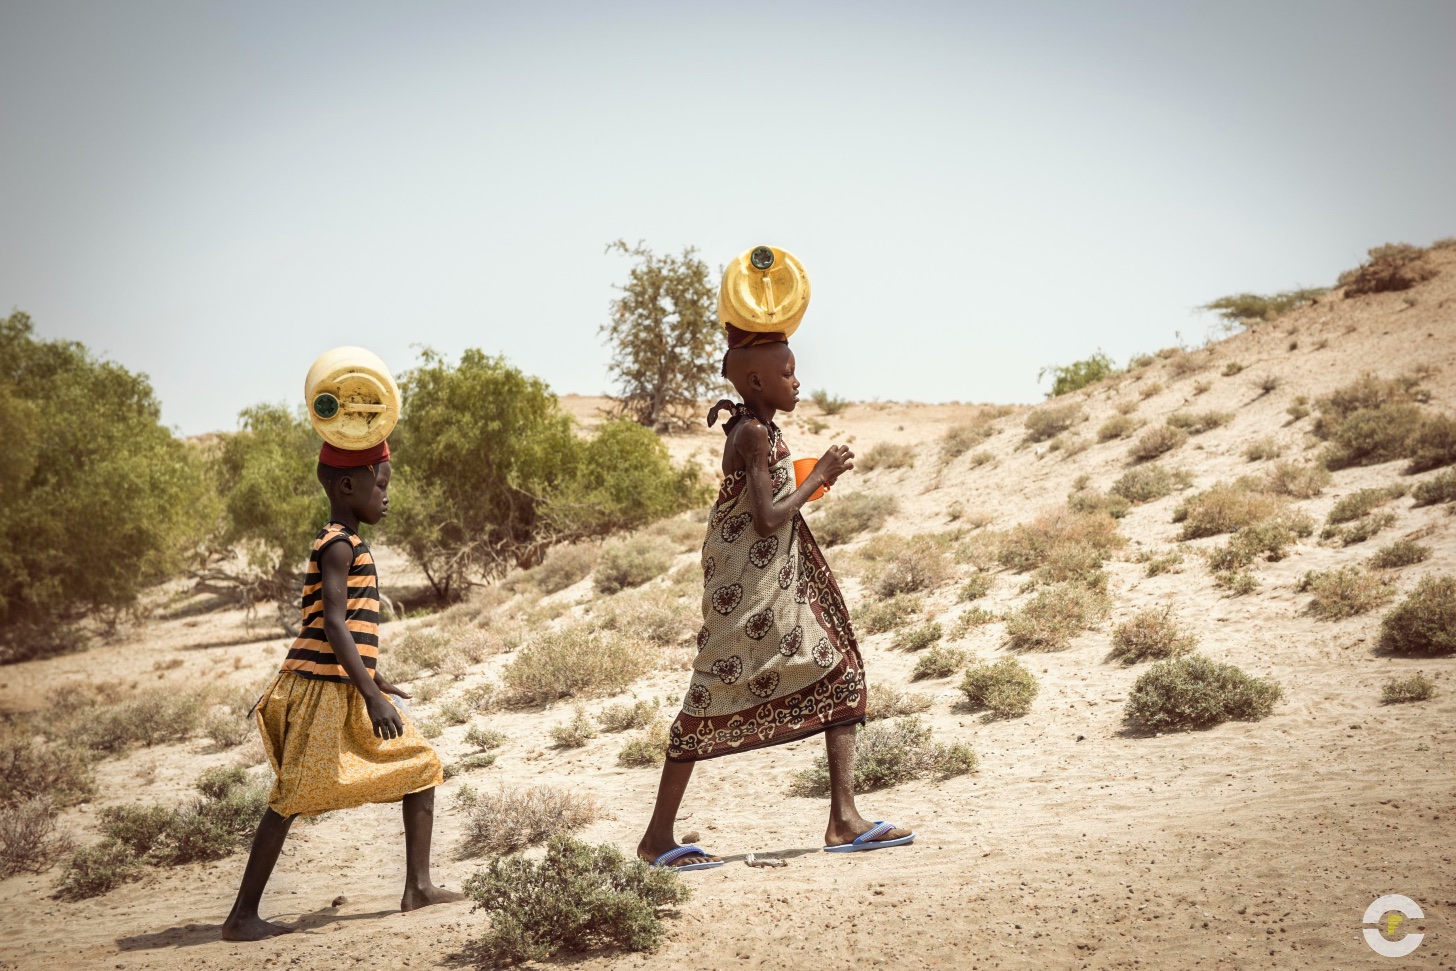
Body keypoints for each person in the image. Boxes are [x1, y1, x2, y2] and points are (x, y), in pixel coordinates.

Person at [635, 245, 914, 872]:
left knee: (837, 671)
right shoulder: (755, 432)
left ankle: (843, 817)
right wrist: (822, 478)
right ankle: (658, 838)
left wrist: (806, 476)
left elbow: (766, 503)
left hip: (759, 581)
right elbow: (765, 517)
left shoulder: (755, 427)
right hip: (749, 586)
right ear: (756, 380)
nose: (797, 381)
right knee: (711, 695)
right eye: (787, 372)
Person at [221, 439, 463, 941]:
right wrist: (372, 697)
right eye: (381, 485)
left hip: (342, 686)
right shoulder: (338, 544)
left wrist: (374, 679)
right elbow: (332, 624)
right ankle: (241, 917)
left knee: (420, 764)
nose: (386, 496)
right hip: (318, 692)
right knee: (290, 797)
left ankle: (418, 887)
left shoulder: (349, 542)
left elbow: (347, 630)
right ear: (349, 485)